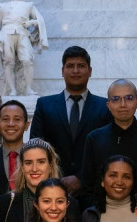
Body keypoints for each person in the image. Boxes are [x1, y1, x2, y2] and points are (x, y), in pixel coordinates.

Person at [30, 46, 111, 197]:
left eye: (81, 66)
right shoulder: (44, 105)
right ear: (62, 71)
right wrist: (55, 179)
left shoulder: (105, 107)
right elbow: (36, 146)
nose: (75, 71)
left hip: (93, 192)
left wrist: (81, 178)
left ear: (90, 71)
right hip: (52, 190)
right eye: (70, 66)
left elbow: (107, 151)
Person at [80, 79, 137, 209]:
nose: (123, 104)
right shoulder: (94, 138)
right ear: (108, 105)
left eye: (129, 98)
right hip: (102, 215)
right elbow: (87, 187)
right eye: (116, 99)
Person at [0, 138, 81, 222]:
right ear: (22, 167)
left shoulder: (71, 204)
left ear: (51, 165)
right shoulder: (3, 204)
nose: (34, 169)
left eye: (41, 162)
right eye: (28, 163)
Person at [0, 0, 48, 95]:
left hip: (22, 32)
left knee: (27, 61)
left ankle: (29, 89)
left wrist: (31, 22)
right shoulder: (1, 6)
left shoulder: (28, 5)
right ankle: (12, 90)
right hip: (6, 33)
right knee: (8, 62)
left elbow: (40, 20)